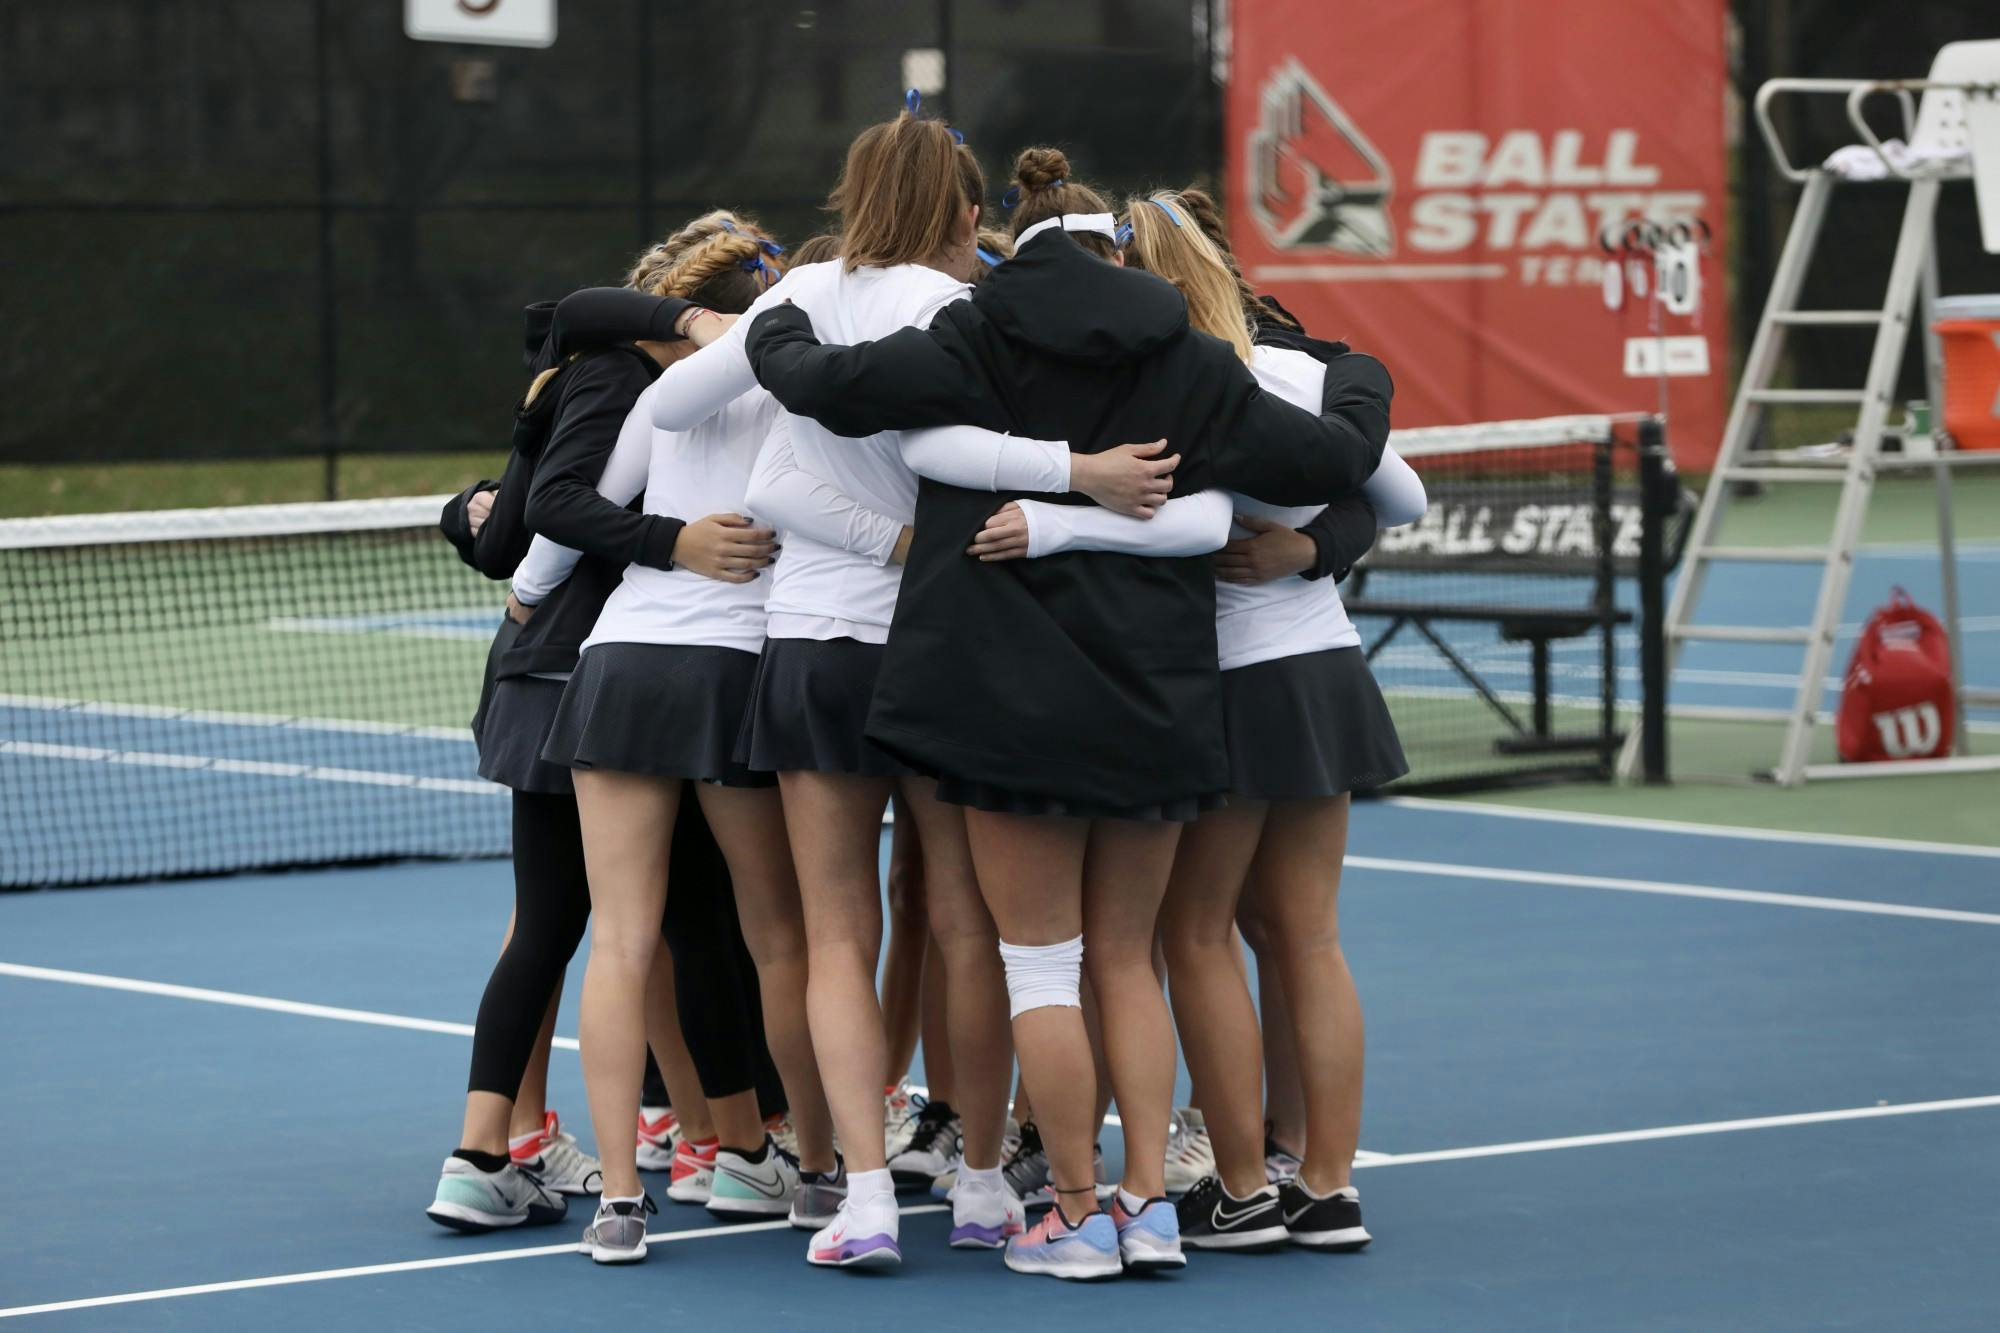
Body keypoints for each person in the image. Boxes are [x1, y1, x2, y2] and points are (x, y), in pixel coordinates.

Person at [744, 145, 1391, 1281]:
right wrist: (1358, 369)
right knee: (1130, 961)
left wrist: (772, 323)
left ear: (1013, 231)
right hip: (1156, 699)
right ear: (1116, 246)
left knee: (1041, 967)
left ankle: (1076, 1217)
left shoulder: (974, 332)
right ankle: (1147, 1207)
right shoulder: (1187, 355)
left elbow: (827, 392)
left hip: (1002, 705)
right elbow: (1336, 455)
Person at [641, 106, 1035, 1269]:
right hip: (929, 650)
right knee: (968, 925)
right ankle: (975, 1184)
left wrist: (732, 329)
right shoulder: (970, 309)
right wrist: (905, 544)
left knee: (833, 932)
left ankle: (856, 1190)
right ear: (965, 208)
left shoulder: (795, 305)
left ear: (849, 200)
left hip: (813, 650)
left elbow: (672, 407)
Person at [515, 213, 853, 1265]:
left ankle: (622, 1201)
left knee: (621, 940)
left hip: (620, 668)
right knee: (783, 939)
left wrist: (528, 593)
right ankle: (812, 1173)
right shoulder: (815, 390)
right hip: (732, 672)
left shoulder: (662, 393)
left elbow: (565, 519)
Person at [426, 272, 721, 1233]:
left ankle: (527, 1142)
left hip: (578, 674)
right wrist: (674, 542)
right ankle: (508, 1146)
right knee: (590, 923)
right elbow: (542, 519)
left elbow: (509, 526)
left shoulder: (610, 383)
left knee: (585, 922)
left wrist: (467, 513)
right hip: (572, 676)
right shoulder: (617, 379)